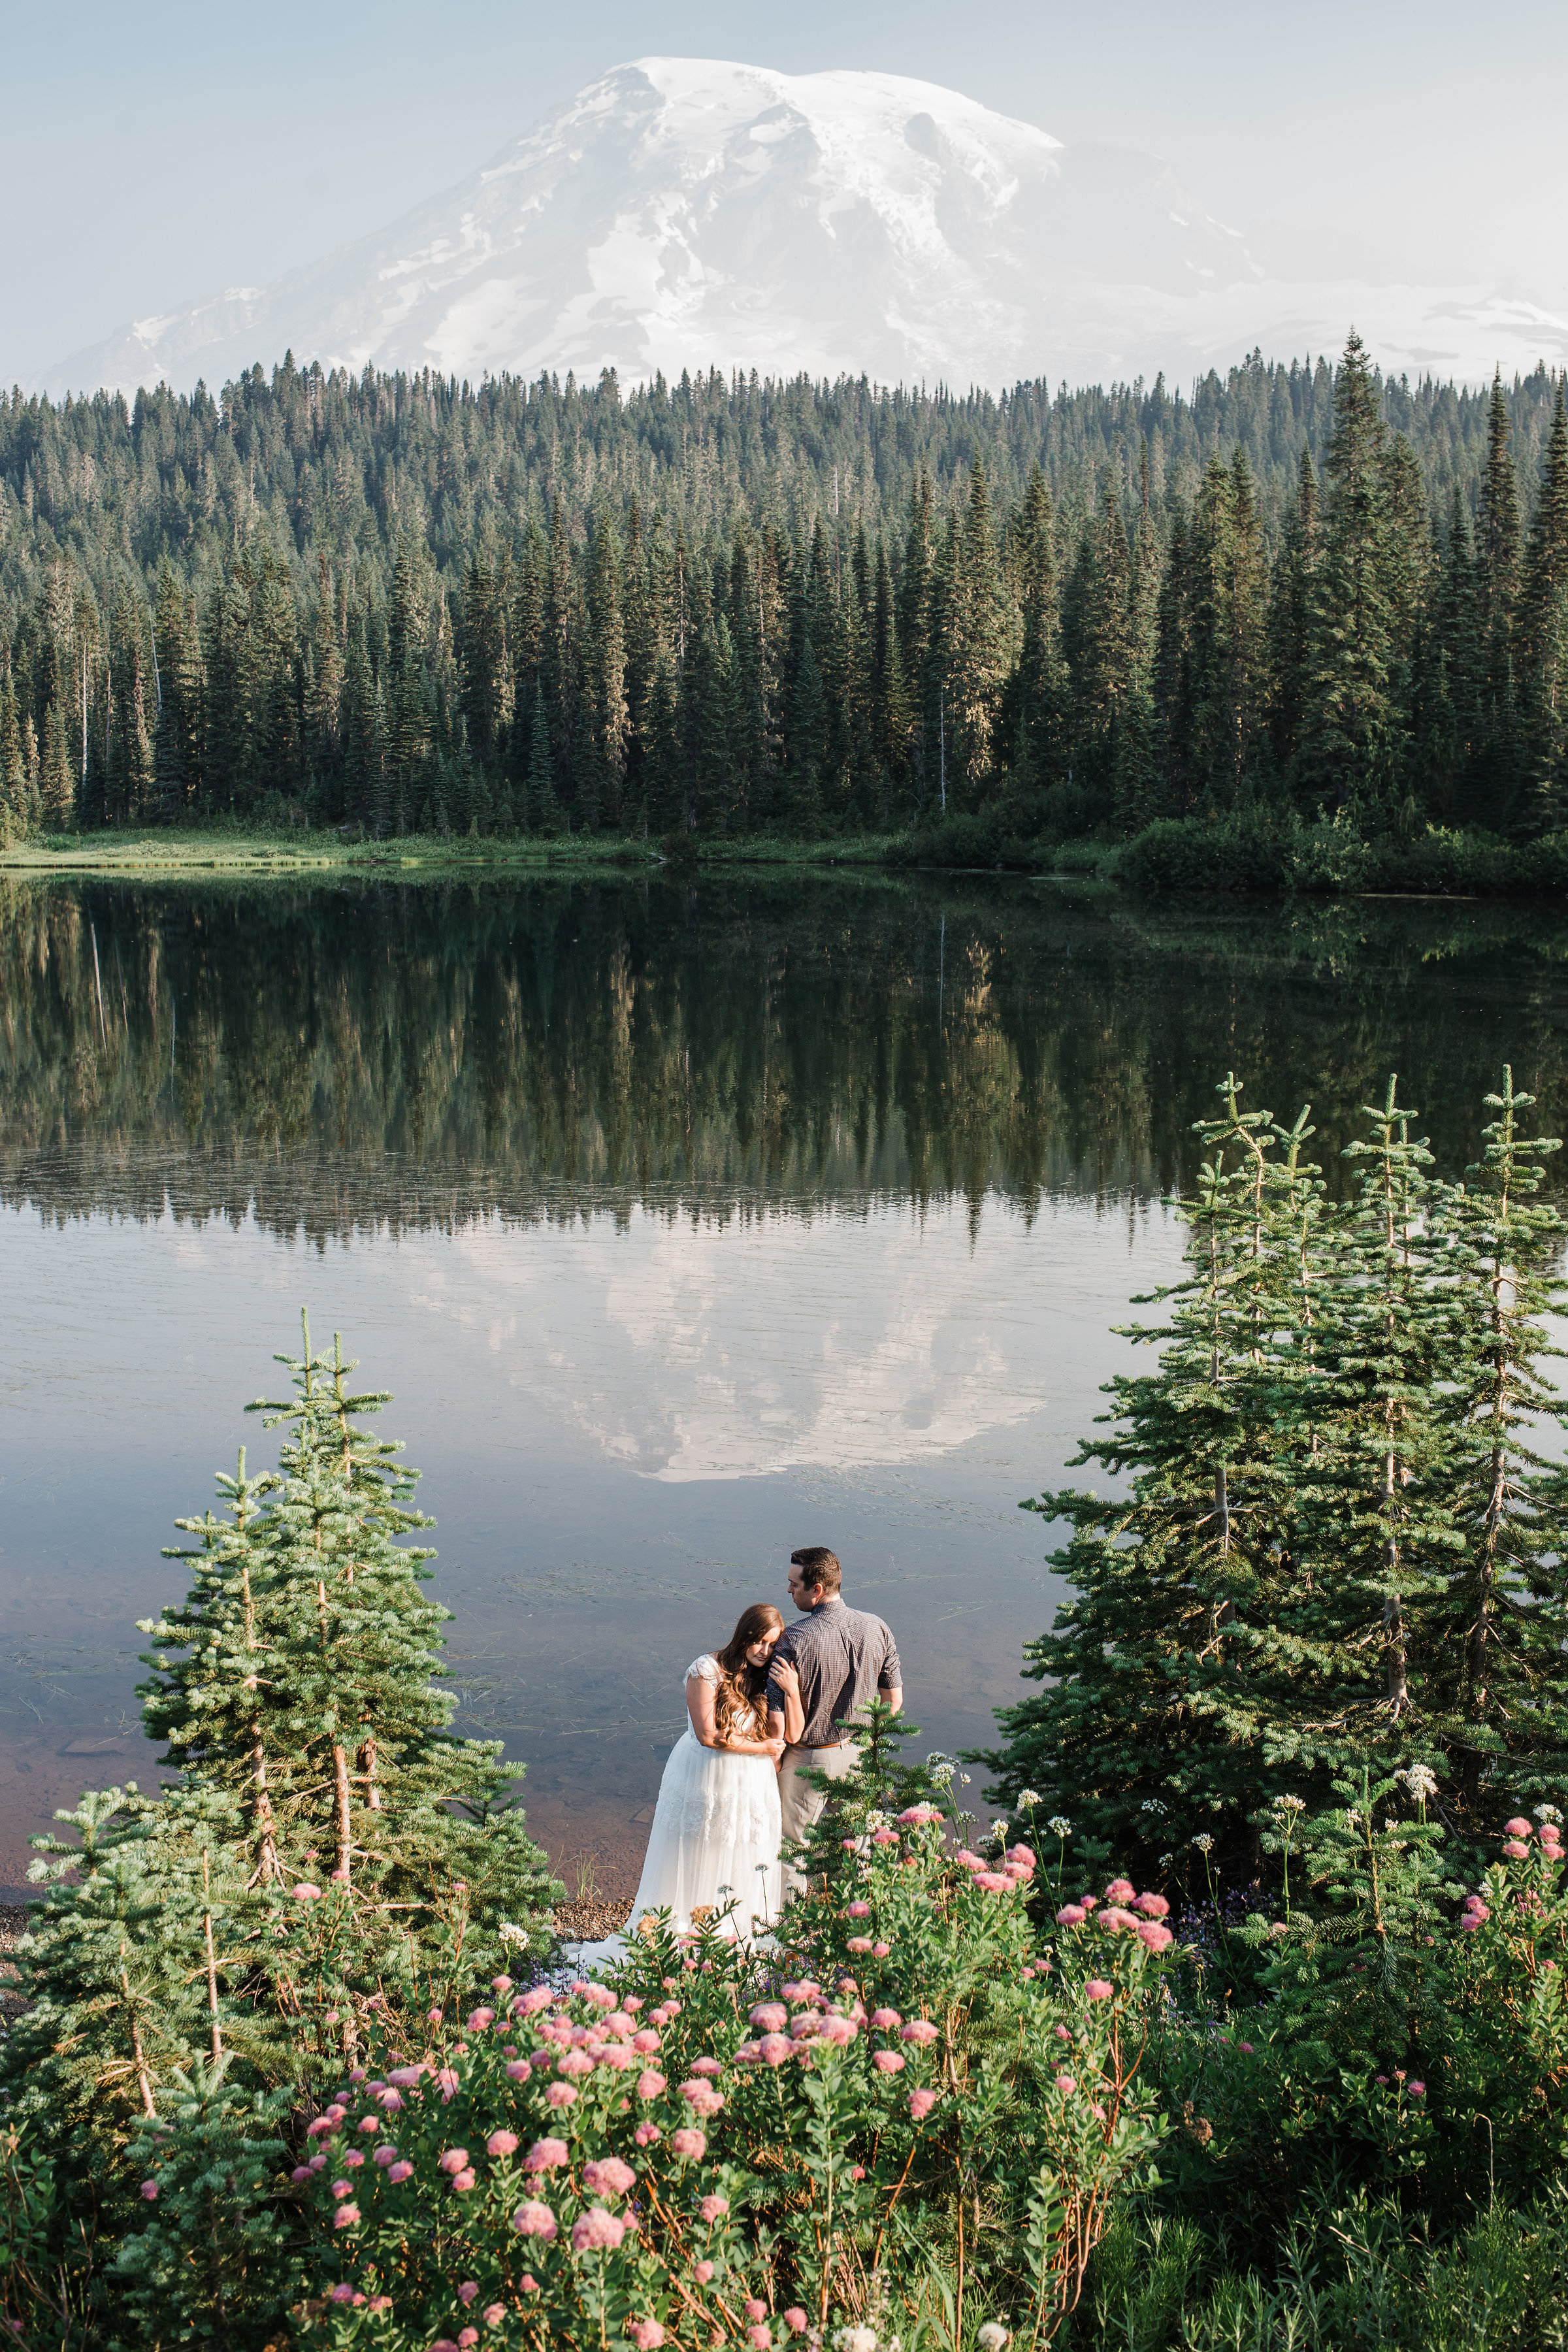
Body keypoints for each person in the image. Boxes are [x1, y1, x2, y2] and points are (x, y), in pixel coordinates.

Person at [627, 1601, 804, 1941]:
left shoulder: (769, 1678)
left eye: (773, 1644)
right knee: (701, 1844)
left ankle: (733, 1932)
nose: (765, 1651)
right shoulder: (706, 1670)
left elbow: (789, 1735)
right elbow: (708, 1735)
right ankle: (685, 1927)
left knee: (741, 1847)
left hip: (752, 1783)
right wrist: (764, 1748)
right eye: (759, 1642)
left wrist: (791, 1693)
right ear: (744, 1636)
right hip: (707, 1774)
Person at [765, 1546, 902, 1894]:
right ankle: (859, 1926)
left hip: (809, 1756)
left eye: (794, 1584)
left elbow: (777, 1724)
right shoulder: (878, 1628)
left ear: (818, 1589)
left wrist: (771, 1765)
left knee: (792, 1848)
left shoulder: (793, 1640)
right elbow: (894, 1702)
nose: (789, 1591)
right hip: (859, 1754)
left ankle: (786, 1936)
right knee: (858, 1846)